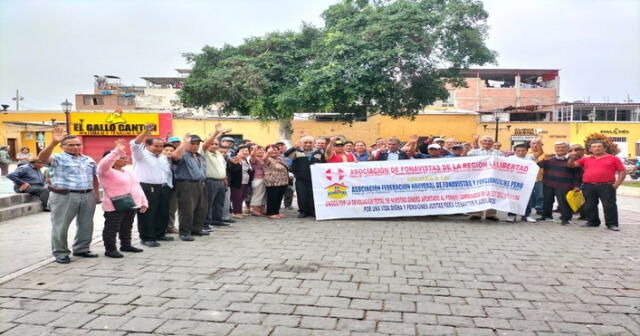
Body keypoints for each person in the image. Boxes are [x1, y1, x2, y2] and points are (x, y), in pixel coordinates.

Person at [38, 127, 100, 264]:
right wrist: (53, 142)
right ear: (62, 146)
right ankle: (61, 253)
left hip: (87, 195)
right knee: (61, 225)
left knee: (86, 224)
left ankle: (82, 248)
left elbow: (94, 177)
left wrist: (96, 194)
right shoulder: (57, 158)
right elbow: (41, 157)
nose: (75, 147)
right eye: (71, 145)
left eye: (78, 144)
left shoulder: (88, 159)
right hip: (64, 196)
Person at [97, 141, 147, 258]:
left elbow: (137, 187)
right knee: (112, 228)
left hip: (131, 204)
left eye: (126, 157)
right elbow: (104, 164)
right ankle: (110, 249)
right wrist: (116, 151)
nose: (126, 159)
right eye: (122, 157)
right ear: (113, 159)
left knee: (127, 227)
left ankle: (126, 245)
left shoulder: (128, 171)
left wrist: (143, 202)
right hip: (114, 205)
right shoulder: (106, 172)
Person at [131, 124, 173, 248]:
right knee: (147, 213)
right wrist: (146, 132)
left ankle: (159, 233)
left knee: (162, 211)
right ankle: (147, 237)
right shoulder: (141, 155)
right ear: (147, 146)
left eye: (161, 146)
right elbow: (135, 144)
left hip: (162, 187)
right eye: (156, 146)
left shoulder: (162, 157)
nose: (159, 148)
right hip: (146, 187)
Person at [568, 141, 626, 231]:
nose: (596, 148)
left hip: (607, 185)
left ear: (604, 148)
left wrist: (617, 184)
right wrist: (571, 158)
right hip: (588, 186)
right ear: (590, 149)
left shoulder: (613, 159)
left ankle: (612, 224)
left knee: (609, 205)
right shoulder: (586, 159)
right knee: (589, 205)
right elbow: (571, 165)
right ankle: (593, 222)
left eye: (599, 146)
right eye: (594, 147)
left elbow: (622, 171)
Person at [171, 134, 209, 241]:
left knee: (201, 208)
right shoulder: (183, 154)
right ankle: (184, 232)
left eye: (197, 144)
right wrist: (184, 143)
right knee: (187, 210)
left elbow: (206, 145)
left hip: (200, 183)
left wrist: (216, 133)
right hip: (186, 184)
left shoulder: (199, 155)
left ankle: (197, 229)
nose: (195, 146)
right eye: (192, 143)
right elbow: (174, 156)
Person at [537, 142, 579, 225]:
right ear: (555, 149)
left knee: (564, 202)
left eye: (563, 147)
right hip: (548, 184)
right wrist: (544, 159)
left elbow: (577, 174)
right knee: (547, 201)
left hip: (564, 185)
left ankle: (566, 218)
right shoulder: (549, 159)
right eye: (558, 147)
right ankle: (546, 216)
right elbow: (537, 166)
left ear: (567, 149)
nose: (560, 149)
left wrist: (576, 185)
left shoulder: (572, 160)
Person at [285, 135, 325, 218]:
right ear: (301, 143)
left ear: (313, 143)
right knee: (301, 195)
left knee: (312, 195)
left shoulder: (318, 152)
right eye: (305, 142)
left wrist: (319, 164)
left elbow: (324, 163)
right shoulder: (296, 152)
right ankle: (303, 211)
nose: (308, 144)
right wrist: (294, 148)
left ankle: (312, 211)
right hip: (300, 178)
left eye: (310, 142)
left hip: (314, 178)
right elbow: (287, 155)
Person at [201, 125, 230, 229]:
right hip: (209, 181)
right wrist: (216, 133)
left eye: (216, 144)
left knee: (219, 202)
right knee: (208, 203)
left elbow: (222, 166)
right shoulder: (204, 153)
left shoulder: (218, 153)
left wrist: (224, 178)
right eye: (212, 144)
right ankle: (205, 223)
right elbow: (205, 145)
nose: (214, 146)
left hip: (221, 181)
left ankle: (217, 220)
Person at [467, 135, 503, 221]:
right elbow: (466, 161)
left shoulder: (498, 153)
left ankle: (490, 214)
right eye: (485, 141)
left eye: (489, 141)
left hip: (492, 177)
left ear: (492, 143)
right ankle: (476, 213)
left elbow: (502, 164)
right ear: (481, 142)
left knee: (492, 195)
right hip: (478, 177)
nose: (487, 142)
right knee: (477, 194)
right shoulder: (473, 152)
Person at [506, 143, 542, 222]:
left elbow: (540, 152)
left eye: (523, 151)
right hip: (514, 182)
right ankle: (512, 215)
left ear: (526, 151)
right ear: (514, 151)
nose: (521, 152)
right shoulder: (510, 158)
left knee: (527, 199)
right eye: (518, 151)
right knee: (513, 199)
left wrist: (538, 143)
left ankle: (526, 215)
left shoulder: (530, 157)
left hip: (527, 182)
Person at [263, 144, 290, 219]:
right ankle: (270, 213)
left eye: (276, 149)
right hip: (272, 182)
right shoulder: (267, 158)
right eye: (272, 149)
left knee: (278, 198)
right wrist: (268, 153)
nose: (274, 151)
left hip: (282, 182)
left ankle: (276, 212)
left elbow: (286, 168)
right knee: (272, 198)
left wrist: (283, 162)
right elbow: (264, 160)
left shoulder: (279, 159)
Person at [228, 145, 252, 219]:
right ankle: (236, 212)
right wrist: (234, 164)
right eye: (243, 151)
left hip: (245, 181)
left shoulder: (246, 160)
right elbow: (232, 171)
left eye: (247, 151)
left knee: (242, 197)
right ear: (237, 152)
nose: (245, 152)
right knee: (237, 197)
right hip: (237, 182)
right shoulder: (234, 160)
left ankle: (240, 211)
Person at [162, 144, 179, 234]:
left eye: (171, 150)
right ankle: (162, 227)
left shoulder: (176, 161)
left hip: (175, 187)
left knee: (172, 208)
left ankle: (170, 226)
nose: (169, 152)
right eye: (166, 150)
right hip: (163, 187)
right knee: (162, 209)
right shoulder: (159, 160)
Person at [249, 145, 267, 216]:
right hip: (258, 178)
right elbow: (252, 155)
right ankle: (255, 209)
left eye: (262, 149)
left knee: (264, 194)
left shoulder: (265, 158)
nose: (261, 151)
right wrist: (254, 148)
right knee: (257, 194)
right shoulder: (254, 159)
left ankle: (262, 208)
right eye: (259, 150)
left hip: (266, 178)